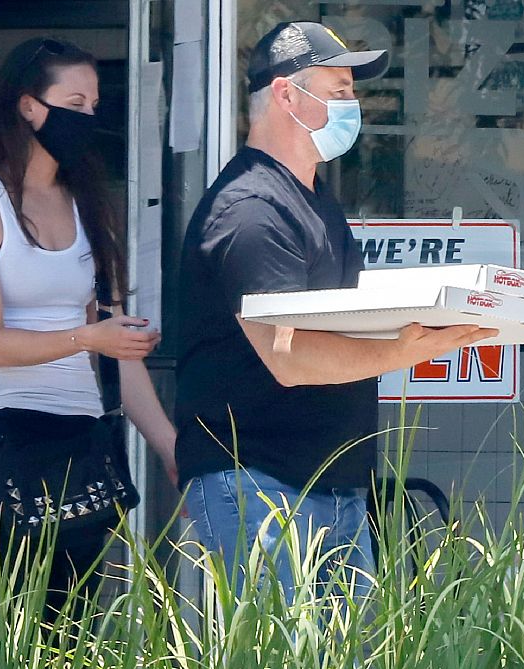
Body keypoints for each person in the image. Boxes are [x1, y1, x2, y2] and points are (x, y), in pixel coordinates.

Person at [175, 21, 497, 596]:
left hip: (335, 485)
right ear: (285, 94)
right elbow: (288, 356)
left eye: (354, 92)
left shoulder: (316, 204)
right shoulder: (249, 210)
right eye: (340, 89)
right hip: (261, 483)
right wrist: (404, 348)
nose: (354, 105)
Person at [0, 37, 177, 599]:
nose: (87, 118)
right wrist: (87, 336)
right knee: (13, 618)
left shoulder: (90, 204)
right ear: (27, 106)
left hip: (81, 431)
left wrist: (169, 445)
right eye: (74, 105)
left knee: (73, 628)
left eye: (93, 107)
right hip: (0, 429)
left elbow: (117, 351)